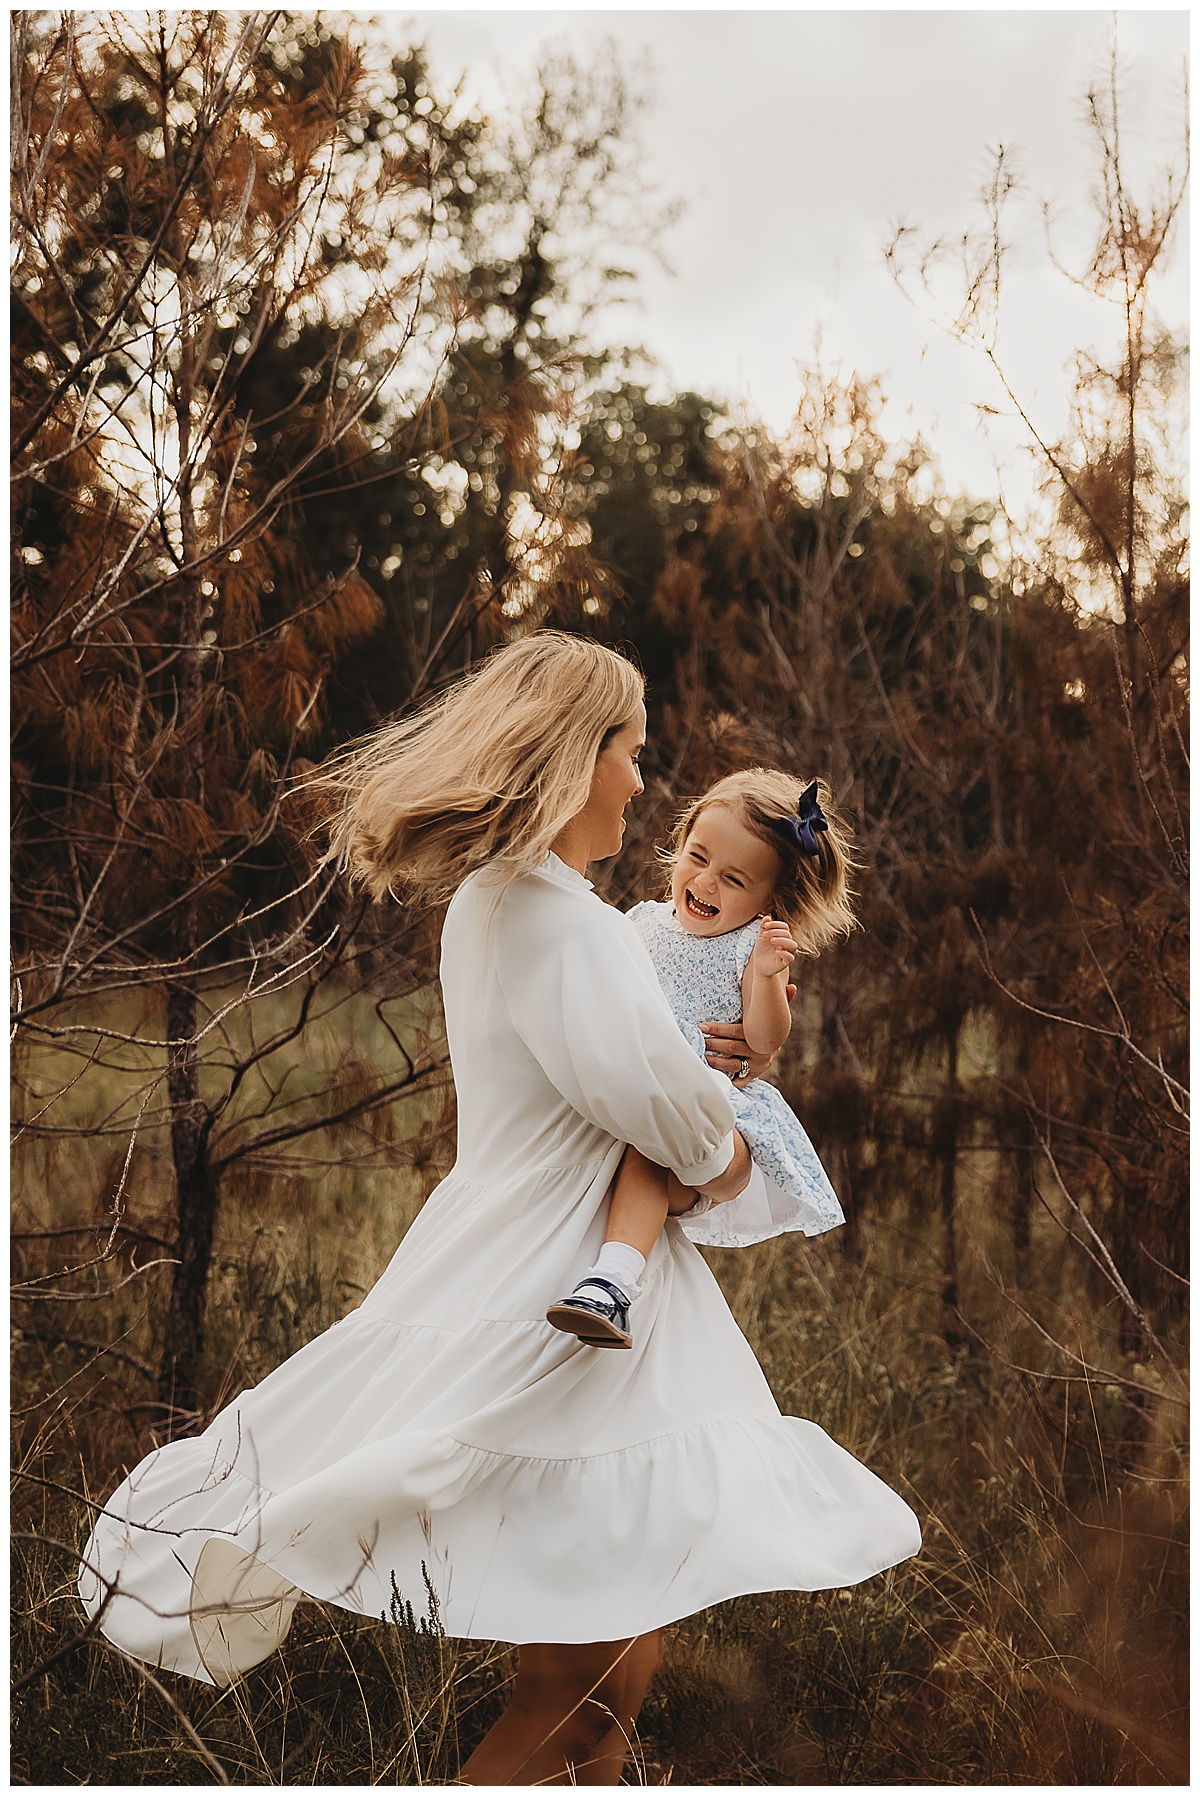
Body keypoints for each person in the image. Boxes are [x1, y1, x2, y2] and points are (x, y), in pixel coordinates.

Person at [78, 632, 920, 1785]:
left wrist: (720, 1094)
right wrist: (730, 1142)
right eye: (629, 750)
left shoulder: (515, 901)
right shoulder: (558, 921)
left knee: (604, 1720)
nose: (640, 779)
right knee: (578, 1711)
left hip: (576, 1297)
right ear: (577, 758)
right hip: (566, 1311)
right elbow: (687, 1132)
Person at [547, 768, 852, 1350]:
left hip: (702, 1114)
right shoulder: (638, 923)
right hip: (632, 1094)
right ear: (680, 843)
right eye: (698, 857)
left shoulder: (753, 947)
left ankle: (611, 1285)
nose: (706, 883)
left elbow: (762, 1042)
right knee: (632, 1147)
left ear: (771, 901)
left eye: (734, 878)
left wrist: (765, 977)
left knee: (648, 1152)